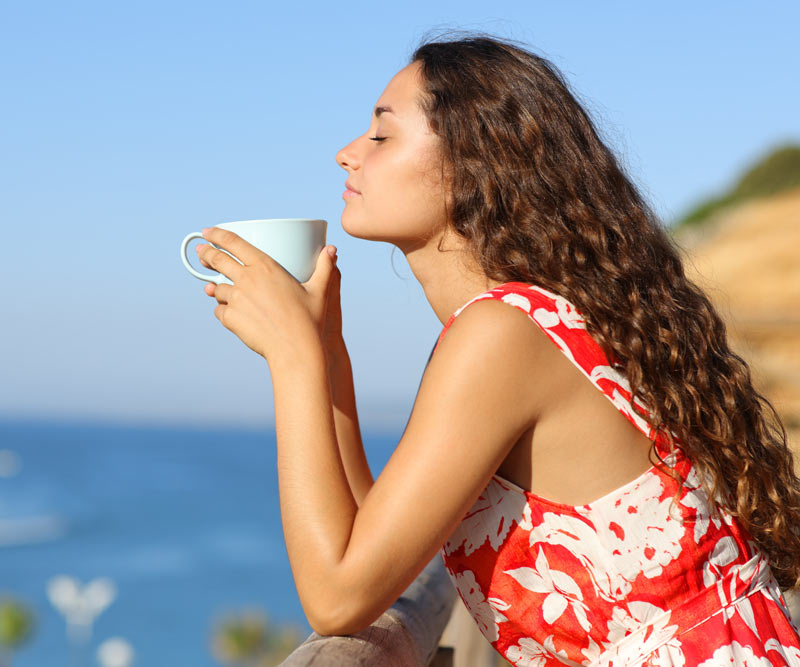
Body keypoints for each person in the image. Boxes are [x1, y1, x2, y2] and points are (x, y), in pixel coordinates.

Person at [193, 32, 800, 665]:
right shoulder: (517, 322)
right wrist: (326, 355)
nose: (347, 154)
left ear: (471, 164)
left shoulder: (502, 334)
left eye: (381, 135)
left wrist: (291, 361)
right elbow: (375, 545)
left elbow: (338, 598)